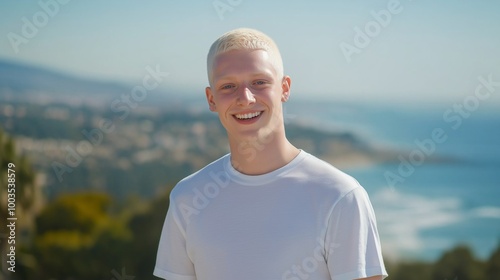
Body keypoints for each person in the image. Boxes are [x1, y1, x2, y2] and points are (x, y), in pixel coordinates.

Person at [154, 28, 388, 280]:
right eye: (228, 86)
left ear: (284, 88)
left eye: (259, 82)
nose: (245, 98)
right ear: (211, 99)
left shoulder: (341, 197)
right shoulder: (187, 197)